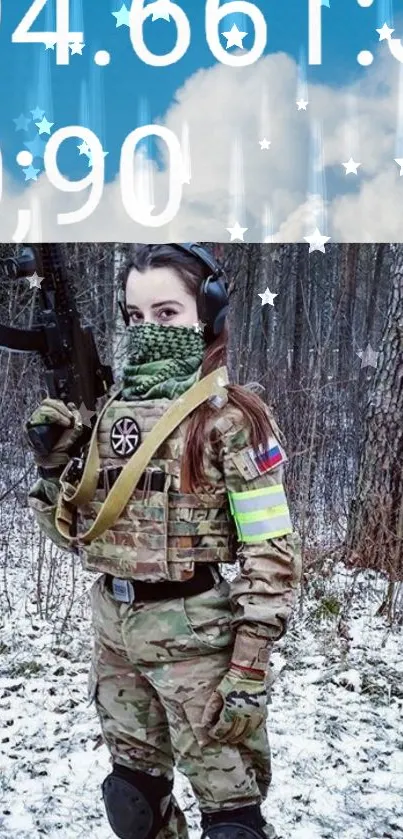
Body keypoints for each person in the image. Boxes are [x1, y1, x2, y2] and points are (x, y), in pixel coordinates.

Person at [25, 243, 302, 839]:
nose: (148, 329)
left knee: (233, 823)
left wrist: (251, 663)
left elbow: (271, 549)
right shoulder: (110, 416)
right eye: (135, 315)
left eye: (167, 313)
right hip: (115, 629)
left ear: (208, 312)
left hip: (197, 635)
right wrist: (55, 471)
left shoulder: (232, 419)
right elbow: (78, 537)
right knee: (133, 801)